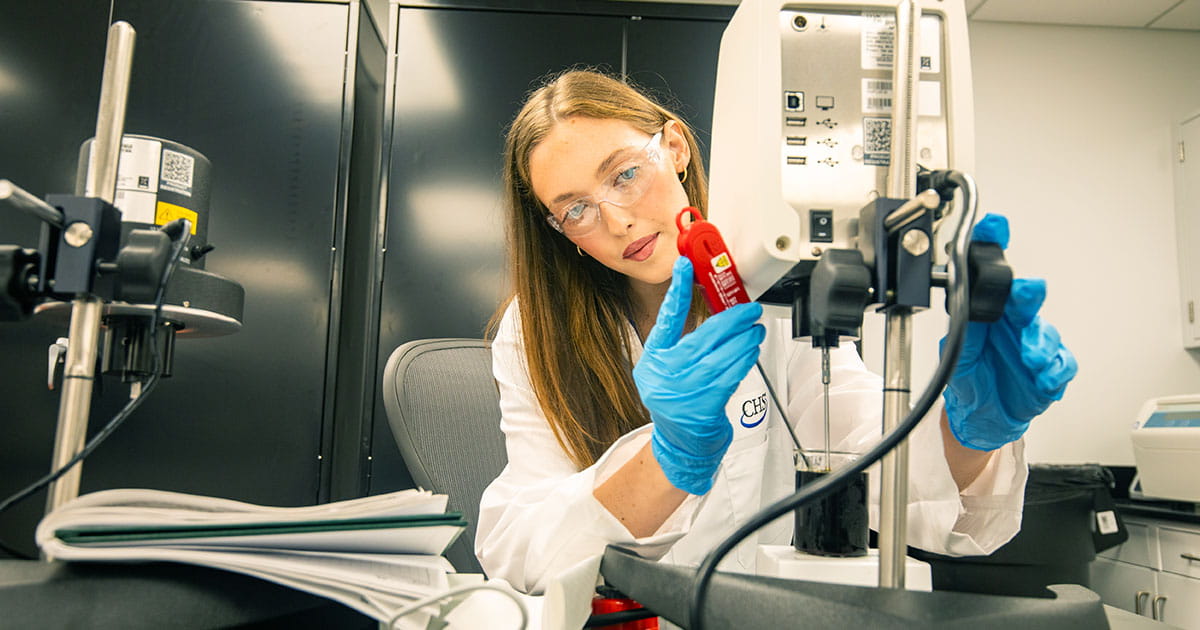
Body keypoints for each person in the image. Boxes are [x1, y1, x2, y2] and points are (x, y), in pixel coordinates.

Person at [476, 69, 1077, 595]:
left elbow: (863, 444)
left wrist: (972, 429)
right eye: (576, 209)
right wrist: (667, 459)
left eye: (626, 173)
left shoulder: (775, 291)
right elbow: (520, 548)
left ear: (675, 147)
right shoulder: (535, 331)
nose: (617, 218)